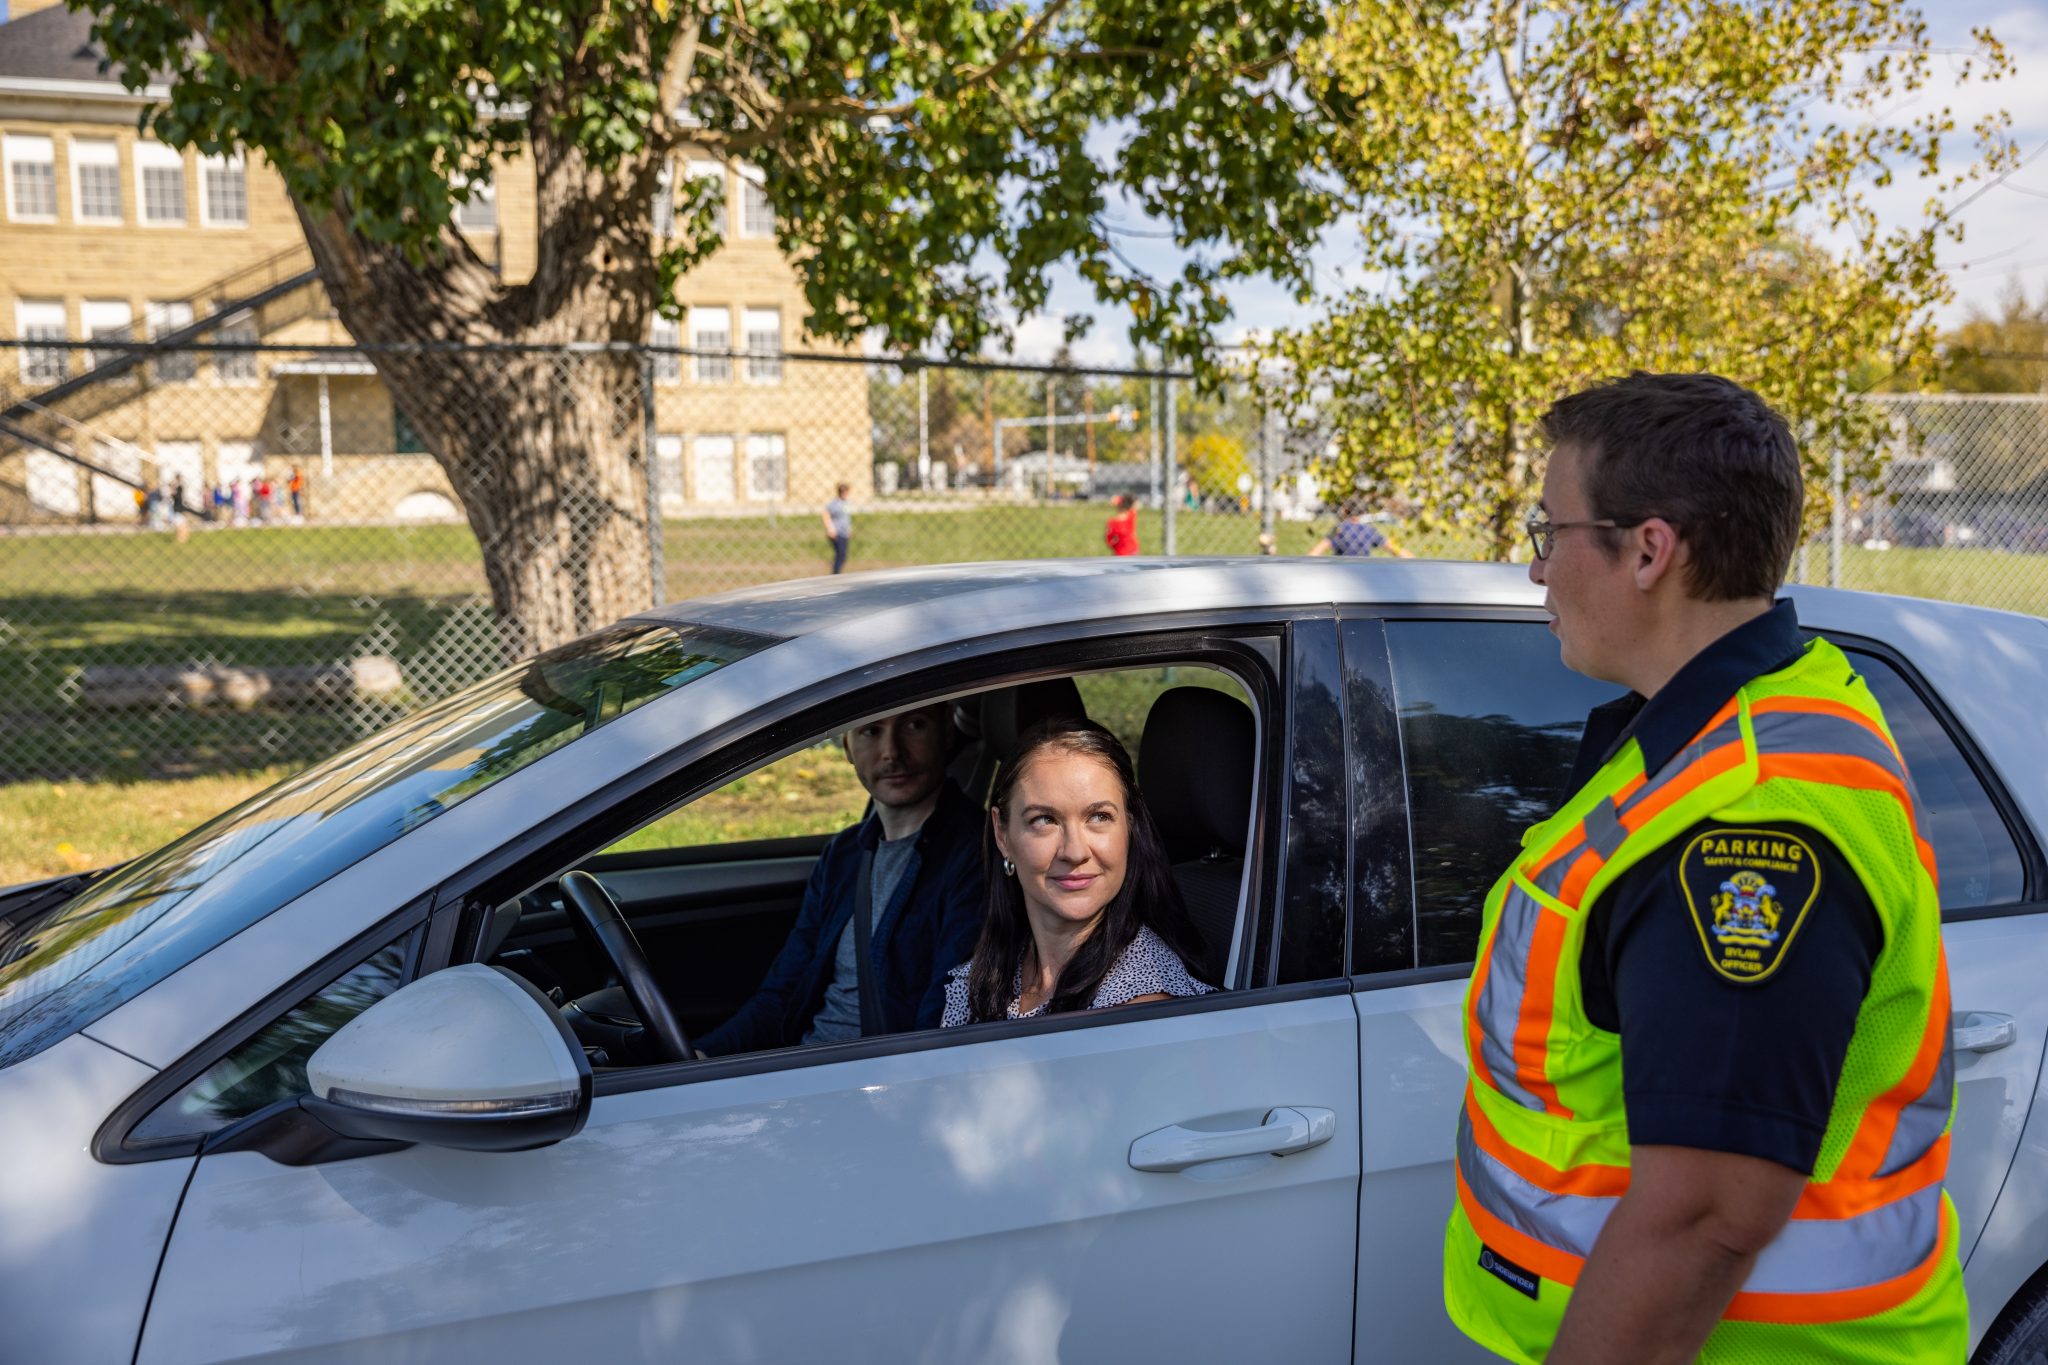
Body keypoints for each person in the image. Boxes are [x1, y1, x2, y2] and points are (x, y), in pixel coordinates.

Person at [1444, 373, 1964, 1363]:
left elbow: (1703, 1220)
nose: (1534, 573)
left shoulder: (1749, 822)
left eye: (1545, 535)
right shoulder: (1731, 725)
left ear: (1647, 551)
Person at [696, 702, 983, 1055]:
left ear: (946, 733)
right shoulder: (844, 855)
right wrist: (700, 1058)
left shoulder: (974, 856)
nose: (891, 752)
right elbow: (784, 991)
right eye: (871, 730)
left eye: (915, 725)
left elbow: (945, 1019)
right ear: (847, 746)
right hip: (804, 1062)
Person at [944, 719, 1212, 1025]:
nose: (1074, 852)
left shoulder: (1143, 1011)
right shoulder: (989, 973)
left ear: (1130, 826)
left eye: (1099, 816)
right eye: (1044, 820)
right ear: (1002, 835)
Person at [1307, 498, 1413, 557]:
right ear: (1363, 512)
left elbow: (1316, 552)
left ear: (1345, 511)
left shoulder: (1340, 529)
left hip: (1341, 571)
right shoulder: (1368, 530)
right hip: (1363, 572)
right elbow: (1395, 549)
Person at [822, 481, 853, 574]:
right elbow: (825, 514)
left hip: (844, 532)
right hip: (837, 532)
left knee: (843, 555)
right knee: (840, 553)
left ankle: (837, 571)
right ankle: (835, 573)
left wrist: (849, 529)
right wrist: (830, 529)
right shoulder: (835, 503)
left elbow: (846, 518)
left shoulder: (846, 502)